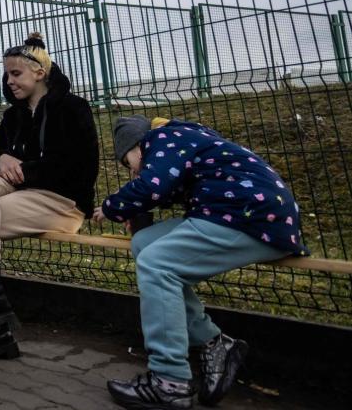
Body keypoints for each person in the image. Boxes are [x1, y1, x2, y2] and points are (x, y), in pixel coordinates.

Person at [95, 117, 307, 410]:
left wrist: (111, 207)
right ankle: (214, 343)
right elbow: (165, 191)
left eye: (127, 161)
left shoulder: (163, 138)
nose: (131, 169)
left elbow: (152, 187)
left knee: (157, 264)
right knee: (146, 245)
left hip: (250, 217)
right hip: (242, 213)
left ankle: (169, 382)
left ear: (135, 145)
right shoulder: (185, 142)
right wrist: (137, 215)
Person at [0, 33, 99, 364]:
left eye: (16, 74)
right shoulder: (13, 116)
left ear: (39, 72)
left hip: (61, 203)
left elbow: (79, 167)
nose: (9, 80)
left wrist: (27, 172)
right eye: (6, 74)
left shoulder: (72, 108)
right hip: (21, 194)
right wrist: (1, 157)